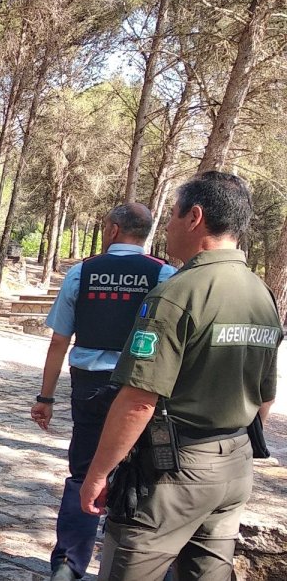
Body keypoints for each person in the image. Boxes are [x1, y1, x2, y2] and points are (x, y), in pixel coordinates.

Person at [80, 172, 281, 579]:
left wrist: (99, 473)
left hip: (173, 470)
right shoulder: (261, 293)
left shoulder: (178, 293)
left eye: (171, 214)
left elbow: (139, 400)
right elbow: (265, 395)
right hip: (234, 465)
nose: (166, 226)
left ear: (195, 217)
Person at [31, 203, 177, 581]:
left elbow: (58, 341)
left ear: (113, 230)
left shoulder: (82, 272)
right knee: (142, 474)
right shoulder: (165, 274)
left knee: (84, 470)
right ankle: (135, 565)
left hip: (90, 386)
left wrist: (45, 398)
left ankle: (68, 564)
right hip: (142, 386)